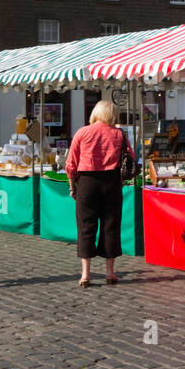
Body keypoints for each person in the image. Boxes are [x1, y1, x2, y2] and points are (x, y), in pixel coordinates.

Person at [66, 100, 135, 288]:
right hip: (111, 182)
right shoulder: (119, 134)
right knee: (110, 226)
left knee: (85, 226)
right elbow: (132, 159)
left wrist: (73, 186)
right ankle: (110, 272)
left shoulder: (82, 132)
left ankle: (85, 274)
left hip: (87, 183)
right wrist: (121, 180)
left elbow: (71, 163)